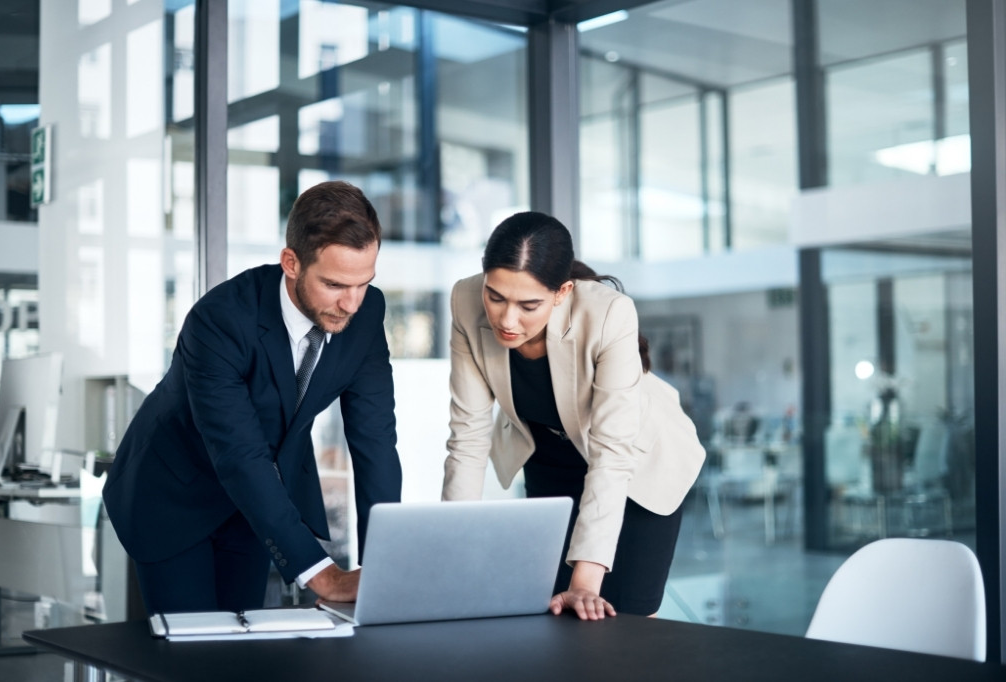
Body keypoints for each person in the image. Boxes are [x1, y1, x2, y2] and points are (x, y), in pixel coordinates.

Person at [103, 180, 402, 614]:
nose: (352, 303)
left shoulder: (366, 312)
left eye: (363, 283)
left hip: (259, 502)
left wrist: (387, 562)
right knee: (190, 654)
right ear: (292, 263)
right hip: (174, 492)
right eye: (336, 284)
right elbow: (238, 454)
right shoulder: (220, 321)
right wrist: (324, 575)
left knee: (241, 649)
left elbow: (375, 439)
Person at [443, 211, 704, 620]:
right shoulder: (464, 299)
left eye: (528, 305)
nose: (507, 320)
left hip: (634, 465)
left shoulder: (609, 314)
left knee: (621, 622)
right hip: (548, 456)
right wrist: (450, 555)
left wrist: (584, 583)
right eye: (495, 297)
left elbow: (612, 454)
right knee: (550, 613)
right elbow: (467, 439)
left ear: (563, 291)